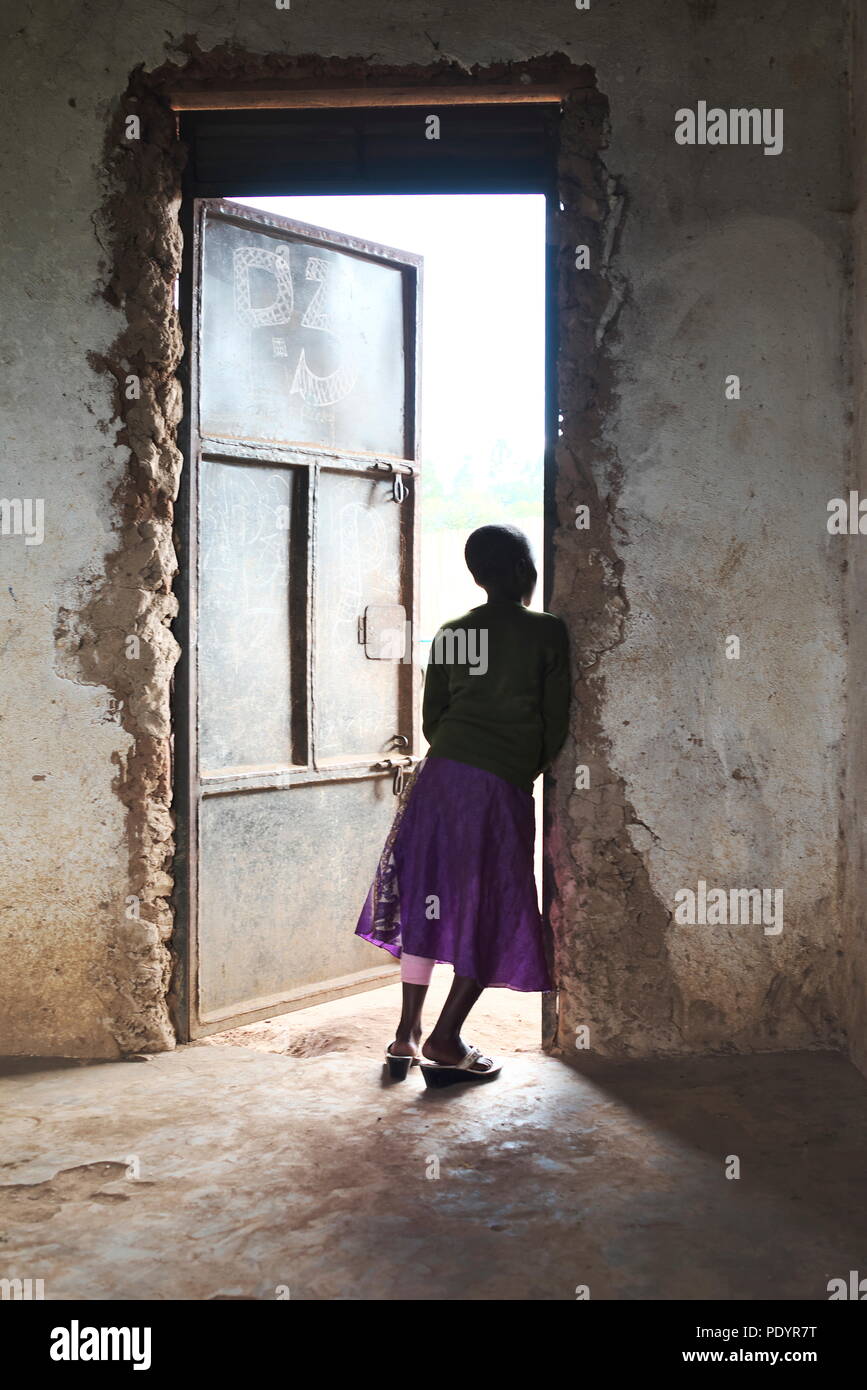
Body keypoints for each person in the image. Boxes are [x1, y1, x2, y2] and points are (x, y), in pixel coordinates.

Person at [355, 524, 571, 1086]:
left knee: (429, 899)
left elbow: (433, 721)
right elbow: (555, 724)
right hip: (495, 787)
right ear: (527, 570)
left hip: (440, 780)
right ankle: (447, 1040)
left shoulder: (453, 633)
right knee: (493, 907)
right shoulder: (546, 632)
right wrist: (519, 770)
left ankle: (406, 1035)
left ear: (477, 576)